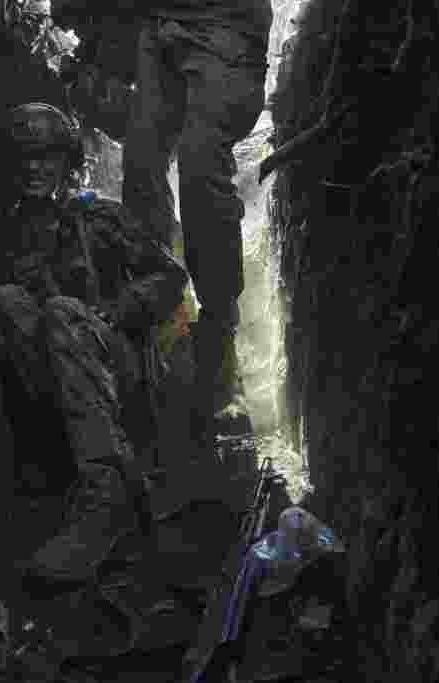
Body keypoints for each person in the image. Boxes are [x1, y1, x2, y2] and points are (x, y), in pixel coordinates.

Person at [0, 102, 189, 585]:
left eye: (46, 156)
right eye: (24, 157)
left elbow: (168, 276)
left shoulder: (98, 218)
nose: (34, 168)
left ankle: (108, 491)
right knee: (3, 301)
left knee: (61, 312)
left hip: (117, 371)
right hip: (53, 387)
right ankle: (44, 469)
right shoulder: (4, 236)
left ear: (65, 162)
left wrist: (119, 310)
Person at [120, 0, 272, 449]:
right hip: (161, 24)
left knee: (201, 168)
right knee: (141, 166)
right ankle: (165, 311)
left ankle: (220, 337)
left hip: (225, 23)